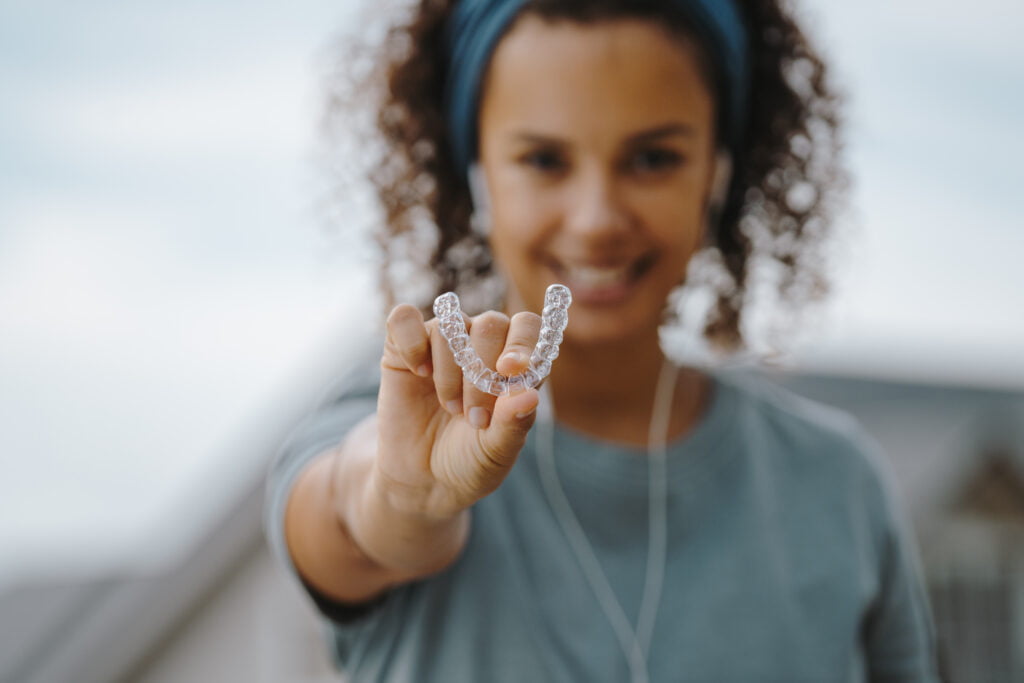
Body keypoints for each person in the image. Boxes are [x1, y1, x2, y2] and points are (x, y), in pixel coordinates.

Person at [266, 0, 940, 680]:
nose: (596, 220)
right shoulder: (397, 418)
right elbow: (353, 517)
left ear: (718, 169)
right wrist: (400, 500)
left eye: (652, 158)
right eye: (544, 160)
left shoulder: (838, 487)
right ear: (477, 174)